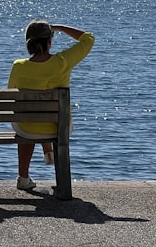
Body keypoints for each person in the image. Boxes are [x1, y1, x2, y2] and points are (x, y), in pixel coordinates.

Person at [8, 20, 95, 191]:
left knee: (28, 118)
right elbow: (88, 38)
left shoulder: (18, 66)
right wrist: (60, 27)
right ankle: (49, 152)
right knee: (45, 118)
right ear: (49, 41)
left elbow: (11, 95)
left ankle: (23, 177)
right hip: (58, 127)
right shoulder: (62, 61)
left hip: (26, 126)